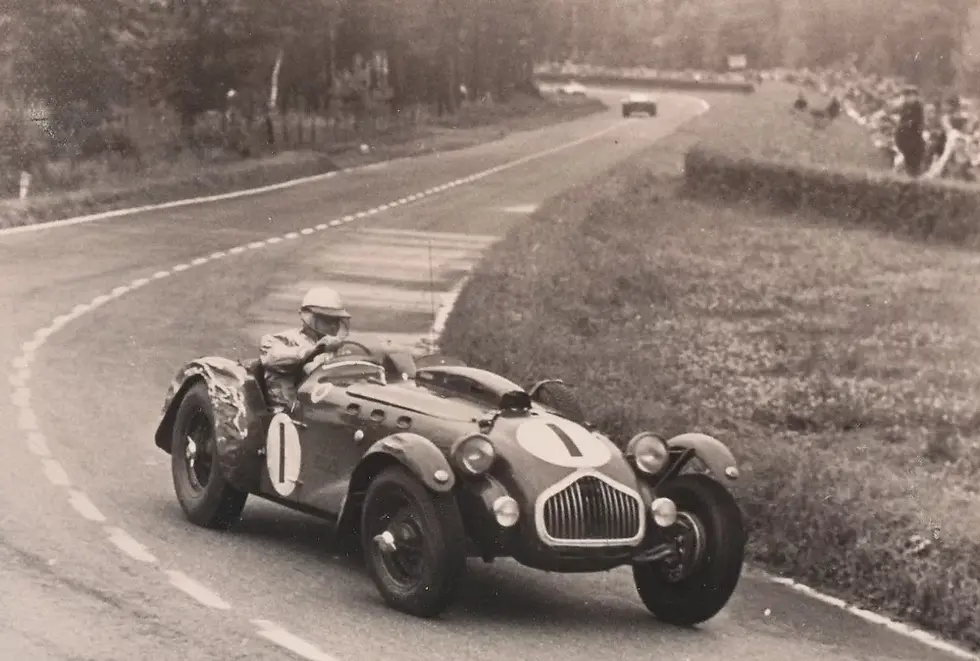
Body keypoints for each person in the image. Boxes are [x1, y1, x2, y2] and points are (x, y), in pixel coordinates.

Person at [259, 286, 352, 413]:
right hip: (285, 409)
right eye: (326, 320)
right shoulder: (280, 339)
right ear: (309, 317)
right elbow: (272, 359)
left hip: (324, 406)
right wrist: (315, 350)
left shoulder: (336, 347)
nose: (332, 325)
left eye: (335, 321)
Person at [894, 85, 926, 177]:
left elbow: (917, 124)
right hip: (904, 139)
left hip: (914, 141)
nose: (907, 98)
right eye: (906, 95)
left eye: (910, 95)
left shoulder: (917, 108)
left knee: (913, 167)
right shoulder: (904, 107)